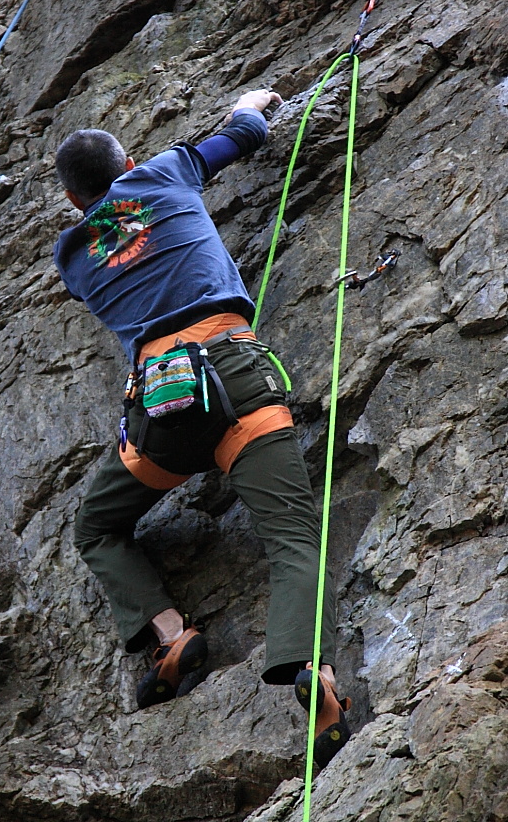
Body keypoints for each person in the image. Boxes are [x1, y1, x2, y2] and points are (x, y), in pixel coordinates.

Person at [53, 89, 351, 767]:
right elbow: (242, 134)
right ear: (127, 161)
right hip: (233, 371)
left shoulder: (70, 254)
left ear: (73, 201)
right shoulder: (158, 174)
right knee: (292, 538)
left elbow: (111, 236)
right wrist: (250, 105)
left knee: (96, 526)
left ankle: (168, 635)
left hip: (162, 404)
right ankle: (314, 673)